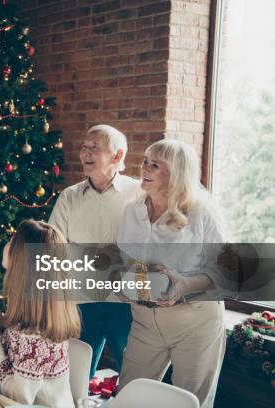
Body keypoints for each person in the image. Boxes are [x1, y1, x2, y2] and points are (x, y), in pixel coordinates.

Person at [117, 139, 227, 408]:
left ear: (176, 173)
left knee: (191, 402)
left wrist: (186, 284)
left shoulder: (202, 213)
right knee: (128, 398)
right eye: (145, 161)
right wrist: (124, 283)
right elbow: (124, 262)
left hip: (195, 323)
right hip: (144, 320)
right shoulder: (132, 211)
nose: (145, 168)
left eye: (155, 165)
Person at [48, 124, 142, 377]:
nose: (86, 153)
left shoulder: (139, 193)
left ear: (118, 156)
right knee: (76, 374)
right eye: (84, 147)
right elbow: (54, 247)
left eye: (95, 148)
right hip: (81, 302)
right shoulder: (69, 197)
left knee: (133, 372)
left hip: (125, 303)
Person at [0, 220, 81, 408]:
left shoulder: (32, 337)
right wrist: (0, 324)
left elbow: (17, 400)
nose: (7, 243)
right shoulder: (37, 318)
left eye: (13, 240)